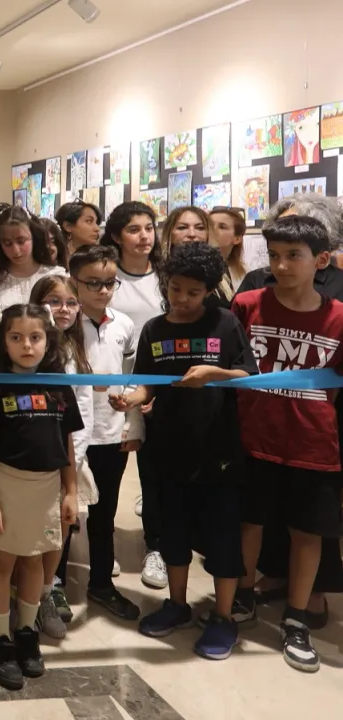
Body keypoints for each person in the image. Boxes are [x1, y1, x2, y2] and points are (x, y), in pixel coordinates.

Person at [115, 242, 255, 661]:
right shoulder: (154, 330)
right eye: (175, 288)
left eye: (193, 292)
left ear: (209, 290)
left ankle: (223, 616)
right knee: (172, 532)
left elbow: (247, 374)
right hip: (168, 448)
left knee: (223, 537)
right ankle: (176, 604)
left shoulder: (225, 323)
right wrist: (131, 398)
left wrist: (216, 374)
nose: (182, 298)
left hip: (220, 449)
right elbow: (147, 382)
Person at [230, 214, 343, 674]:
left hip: (313, 444)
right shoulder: (247, 304)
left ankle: (296, 617)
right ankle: (241, 593)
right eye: (274, 255)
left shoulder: (339, 318)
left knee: (307, 533)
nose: (280, 266)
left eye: (293, 256)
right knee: (248, 523)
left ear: (321, 260)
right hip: (253, 437)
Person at [0, 304, 82, 691]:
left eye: (35, 337)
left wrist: (71, 491)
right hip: (7, 483)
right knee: (2, 560)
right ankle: (0, 638)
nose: (27, 345)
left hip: (47, 486)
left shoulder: (57, 384)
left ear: (48, 340)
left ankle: (25, 631)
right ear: (4, 342)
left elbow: (67, 443)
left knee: (35, 559)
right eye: (16, 337)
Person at [65, 245, 142, 620]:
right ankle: (52, 586)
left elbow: (131, 376)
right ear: (74, 282)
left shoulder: (124, 325)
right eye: (93, 282)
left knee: (104, 512)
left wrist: (132, 417)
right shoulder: (63, 324)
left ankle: (101, 584)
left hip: (111, 433)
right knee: (64, 512)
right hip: (70, 434)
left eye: (110, 282)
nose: (103, 290)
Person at [100, 200, 167, 589]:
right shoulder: (108, 277)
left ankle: (155, 547)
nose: (144, 236)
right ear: (116, 236)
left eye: (149, 228)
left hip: (155, 388)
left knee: (153, 474)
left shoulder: (165, 277)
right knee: (109, 472)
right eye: (133, 229)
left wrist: (155, 389)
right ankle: (103, 544)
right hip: (114, 390)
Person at [28, 275, 93, 638]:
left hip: (68, 461)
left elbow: (83, 412)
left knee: (59, 529)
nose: (63, 309)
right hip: (32, 459)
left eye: (70, 302)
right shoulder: (29, 346)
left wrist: (72, 462)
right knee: (30, 531)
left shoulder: (77, 351)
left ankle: (46, 593)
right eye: (54, 301)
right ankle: (24, 595)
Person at [0, 205, 66, 308]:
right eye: (7, 243)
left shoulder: (54, 274)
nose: (16, 250)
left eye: (21, 241)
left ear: (34, 237)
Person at [208, 206, 248, 300]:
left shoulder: (243, 272)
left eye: (222, 227)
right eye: (209, 225)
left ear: (237, 239)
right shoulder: (197, 268)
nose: (212, 230)